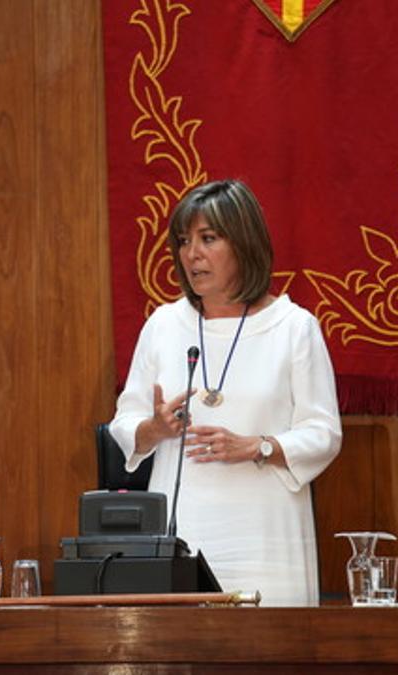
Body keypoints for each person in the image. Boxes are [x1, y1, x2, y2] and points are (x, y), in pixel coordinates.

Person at [109, 179, 342, 607]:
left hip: (268, 542)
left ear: (244, 244)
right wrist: (154, 428)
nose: (191, 254)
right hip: (185, 537)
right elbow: (124, 425)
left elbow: (324, 432)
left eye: (208, 239)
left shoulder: (294, 327)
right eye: (184, 241)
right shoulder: (163, 325)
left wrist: (259, 446)